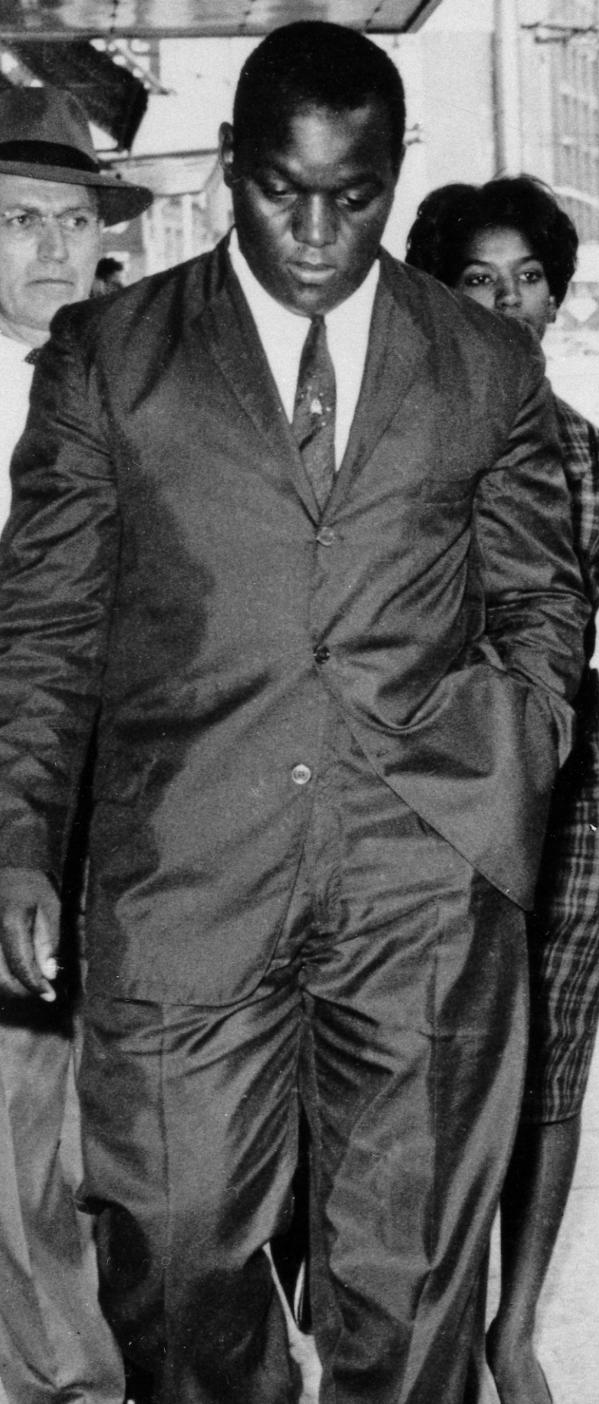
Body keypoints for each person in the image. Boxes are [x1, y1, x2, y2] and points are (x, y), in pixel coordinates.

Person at [0, 23, 589, 1404]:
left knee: (413, 1278)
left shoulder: (484, 364)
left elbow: (539, 601)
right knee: (174, 1242)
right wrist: (21, 841)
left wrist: (512, 765)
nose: (318, 230)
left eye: (357, 194)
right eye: (281, 190)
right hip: (186, 871)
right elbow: (45, 631)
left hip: (423, 878)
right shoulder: (107, 357)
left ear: (396, 173)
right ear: (227, 168)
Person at [402, 176, 599, 1404]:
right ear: (433, 293)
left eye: (529, 280)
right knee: (414, 1081)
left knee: (550, 1081)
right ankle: (418, 1326)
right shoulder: (385, 454)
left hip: (572, 818)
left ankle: (512, 1330)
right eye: (478, 280)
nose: (508, 303)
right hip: (412, 823)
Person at [0, 85, 148, 1404]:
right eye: (17, 221)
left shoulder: (129, 392)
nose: (52, 249)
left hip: (119, 850)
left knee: (98, 1177)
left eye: (71, 220)